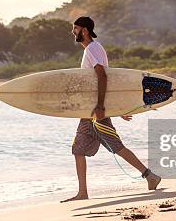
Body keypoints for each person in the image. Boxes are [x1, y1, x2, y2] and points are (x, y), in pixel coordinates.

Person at [61, 16, 161, 203]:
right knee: (79, 150)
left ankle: (150, 175)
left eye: (75, 28)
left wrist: (102, 107)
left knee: (116, 147)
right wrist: (116, 107)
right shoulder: (92, 49)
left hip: (96, 112)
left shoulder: (92, 48)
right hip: (89, 112)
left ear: (84, 30)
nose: (72, 32)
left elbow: (103, 76)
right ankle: (83, 192)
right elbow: (102, 80)